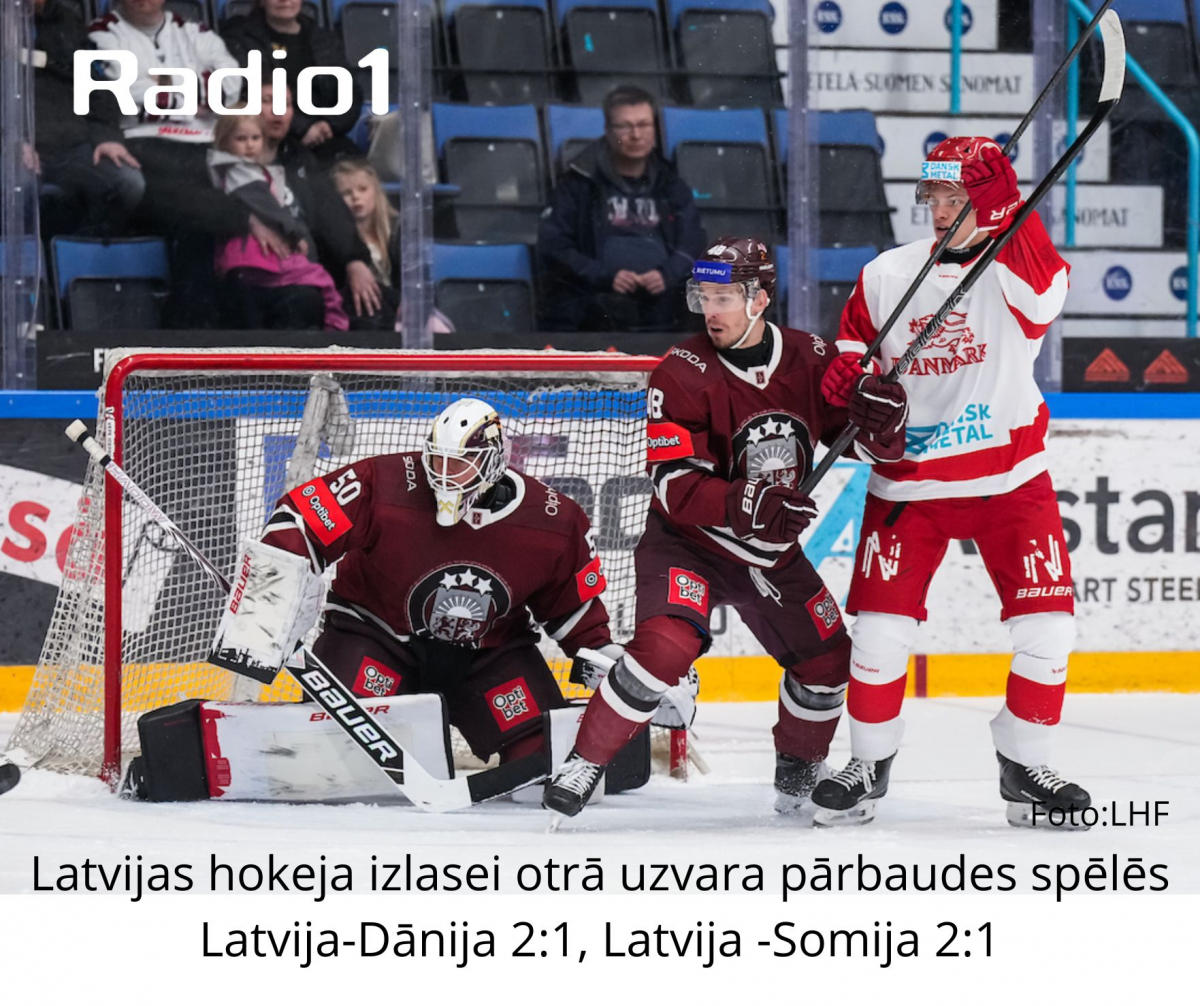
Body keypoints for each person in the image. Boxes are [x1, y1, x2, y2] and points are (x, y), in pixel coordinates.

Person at [542, 238, 909, 818]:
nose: (710, 310)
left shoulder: (810, 357)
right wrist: (755, 503)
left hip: (767, 555)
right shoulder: (680, 373)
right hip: (687, 545)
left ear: (760, 298)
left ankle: (798, 776)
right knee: (665, 646)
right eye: (702, 297)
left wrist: (883, 418)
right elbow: (674, 485)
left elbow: (865, 443)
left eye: (724, 297)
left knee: (829, 660)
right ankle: (585, 762)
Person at [812, 137, 1089, 828]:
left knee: (1049, 630)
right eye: (933, 198)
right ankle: (867, 764)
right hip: (909, 483)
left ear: (986, 203)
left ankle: (1025, 763)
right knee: (875, 636)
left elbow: (1048, 292)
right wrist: (851, 387)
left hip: (1010, 477)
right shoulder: (885, 275)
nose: (940, 213)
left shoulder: (1012, 268)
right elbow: (850, 352)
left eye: (957, 199)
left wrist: (1012, 214)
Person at [208, 398, 681, 778]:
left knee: (546, 759)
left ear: (494, 461)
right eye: (438, 459)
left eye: (460, 465)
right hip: (377, 638)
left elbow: (575, 615)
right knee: (333, 756)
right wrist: (271, 606)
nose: (443, 475)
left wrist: (617, 672)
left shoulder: (554, 518)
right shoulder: (386, 481)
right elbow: (298, 521)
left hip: (489, 655)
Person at [89, 0, 273, 326]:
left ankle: (215, 328)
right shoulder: (103, 33)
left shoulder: (192, 31)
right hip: (143, 144)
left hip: (204, 146)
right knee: (199, 217)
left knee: (222, 210)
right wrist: (196, 87)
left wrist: (164, 84)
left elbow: (230, 83)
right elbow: (127, 91)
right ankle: (198, 330)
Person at [537, 85, 706, 332]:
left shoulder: (671, 182)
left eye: (643, 125)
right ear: (608, 131)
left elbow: (694, 239)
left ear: (655, 130)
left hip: (665, 305)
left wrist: (667, 274)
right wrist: (604, 276)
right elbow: (554, 245)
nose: (636, 135)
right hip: (596, 308)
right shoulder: (578, 183)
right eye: (625, 126)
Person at [250, 82, 383, 328]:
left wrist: (354, 260)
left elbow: (329, 210)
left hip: (305, 274)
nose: (278, 111)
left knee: (382, 305)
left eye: (286, 104)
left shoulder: (299, 157)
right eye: (267, 101)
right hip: (259, 277)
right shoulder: (228, 159)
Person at [208, 113, 348, 330]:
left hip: (258, 258)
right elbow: (267, 205)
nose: (249, 145)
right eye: (241, 139)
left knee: (317, 281)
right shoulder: (239, 171)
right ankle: (336, 327)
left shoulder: (255, 170)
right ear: (225, 141)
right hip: (253, 257)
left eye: (255, 138)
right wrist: (295, 233)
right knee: (318, 279)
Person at [30, 0, 144, 237]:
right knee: (20, 187)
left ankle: (80, 253)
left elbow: (100, 87)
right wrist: (10, 140)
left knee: (128, 183)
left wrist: (107, 137)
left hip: (71, 144)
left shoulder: (67, 22)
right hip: (16, 149)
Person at [221, 0, 362, 165]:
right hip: (270, 137)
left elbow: (351, 92)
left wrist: (330, 125)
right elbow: (249, 91)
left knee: (352, 170)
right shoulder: (241, 37)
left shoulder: (322, 38)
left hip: (324, 136)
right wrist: (303, 128)